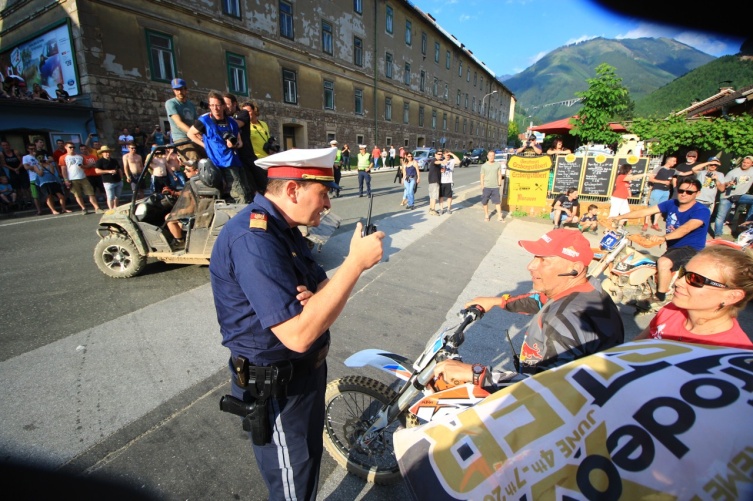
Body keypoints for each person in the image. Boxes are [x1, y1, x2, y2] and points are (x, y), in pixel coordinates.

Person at [210, 147, 384, 501]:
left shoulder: (284, 226)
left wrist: (317, 301)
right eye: (324, 194)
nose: (328, 205)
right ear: (293, 190)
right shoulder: (254, 238)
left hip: (302, 379)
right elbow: (300, 334)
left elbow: (321, 290)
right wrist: (354, 264)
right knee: (293, 484)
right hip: (277, 389)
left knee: (305, 467)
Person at [432, 229, 624, 387]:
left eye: (543, 260)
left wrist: (476, 374)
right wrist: (498, 301)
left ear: (574, 268)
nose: (531, 265)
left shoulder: (565, 319)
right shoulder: (585, 291)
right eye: (534, 257)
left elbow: (548, 390)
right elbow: (540, 300)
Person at [611, 178, 710, 310]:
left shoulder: (701, 210)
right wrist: (620, 217)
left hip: (690, 247)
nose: (684, 194)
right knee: (641, 257)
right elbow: (646, 212)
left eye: (689, 192)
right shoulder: (672, 203)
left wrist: (663, 238)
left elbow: (686, 228)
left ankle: (660, 296)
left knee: (664, 262)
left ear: (697, 193)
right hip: (673, 246)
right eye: (681, 190)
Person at [635, 246, 753, 349]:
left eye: (696, 279)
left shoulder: (736, 354)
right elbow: (632, 349)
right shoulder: (671, 311)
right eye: (683, 273)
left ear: (732, 296)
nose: (678, 282)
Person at [187, 90, 245, 203]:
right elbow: (190, 133)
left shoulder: (232, 122)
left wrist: (234, 145)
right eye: (212, 105)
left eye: (218, 105)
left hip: (231, 162)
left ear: (223, 106)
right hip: (215, 163)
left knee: (239, 193)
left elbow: (240, 142)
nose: (215, 108)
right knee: (218, 194)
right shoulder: (204, 121)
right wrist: (205, 145)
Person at [224, 93, 257, 199]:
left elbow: (237, 124)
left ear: (234, 104)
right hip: (233, 159)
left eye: (227, 104)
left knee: (254, 187)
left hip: (246, 157)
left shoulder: (243, 113)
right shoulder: (225, 117)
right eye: (223, 104)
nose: (225, 107)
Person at [165, 78, 204, 165]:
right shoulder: (171, 103)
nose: (179, 92)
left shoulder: (190, 104)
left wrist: (201, 133)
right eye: (176, 90)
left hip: (193, 136)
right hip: (181, 137)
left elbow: (195, 121)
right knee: (194, 162)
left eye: (181, 89)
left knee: (208, 158)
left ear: (186, 90)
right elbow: (178, 123)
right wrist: (195, 133)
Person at [713, 156, 753, 237]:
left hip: (740, 196)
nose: (745, 164)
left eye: (747, 163)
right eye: (744, 162)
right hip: (727, 196)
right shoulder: (733, 172)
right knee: (720, 217)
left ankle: (748, 222)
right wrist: (728, 183)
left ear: (751, 164)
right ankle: (717, 235)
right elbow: (722, 185)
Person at [61, 142, 103, 214]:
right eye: (70, 147)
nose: (72, 149)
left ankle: (97, 208)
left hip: (83, 177)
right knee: (78, 195)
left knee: (90, 193)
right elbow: (63, 169)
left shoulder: (80, 156)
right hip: (72, 178)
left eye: (73, 147)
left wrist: (89, 165)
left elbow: (84, 166)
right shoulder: (63, 157)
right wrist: (66, 180)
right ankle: (83, 208)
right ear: (66, 147)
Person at [242, 100, 271, 193]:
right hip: (256, 159)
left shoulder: (263, 124)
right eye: (244, 112)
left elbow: (267, 139)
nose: (246, 114)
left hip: (267, 159)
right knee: (262, 186)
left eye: (248, 112)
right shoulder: (245, 126)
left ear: (254, 111)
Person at [643, 155, 677, 231]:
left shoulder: (673, 171)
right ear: (669, 161)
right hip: (657, 190)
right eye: (674, 161)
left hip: (666, 191)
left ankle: (655, 223)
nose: (675, 163)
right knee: (651, 207)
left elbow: (684, 173)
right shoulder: (659, 168)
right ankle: (646, 223)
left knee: (660, 208)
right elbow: (651, 179)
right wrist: (663, 182)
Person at [608, 163, 645, 228]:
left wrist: (629, 194)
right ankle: (609, 228)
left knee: (626, 213)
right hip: (617, 198)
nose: (631, 171)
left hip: (623, 198)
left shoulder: (626, 179)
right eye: (630, 170)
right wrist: (645, 174)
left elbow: (627, 188)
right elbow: (633, 177)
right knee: (614, 213)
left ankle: (620, 227)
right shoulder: (621, 176)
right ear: (627, 170)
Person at [480, 150, 502, 222]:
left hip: (495, 187)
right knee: (485, 202)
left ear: (494, 156)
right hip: (486, 187)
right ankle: (486, 215)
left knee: (497, 202)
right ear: (487, 156)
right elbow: (482, 176)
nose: (491, 157)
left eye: (493, 155)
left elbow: (499, 175)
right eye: (490, 155)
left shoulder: (497, 165)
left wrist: (499, 184)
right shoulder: (484, 166)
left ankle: (499, 216)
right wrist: (482, 186)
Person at [21, 143, 43, 215]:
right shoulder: (25, 157)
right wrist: (34, 167)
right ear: (28, 149)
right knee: (35, 195)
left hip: (42, 176)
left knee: (45, 193)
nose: (33, 150)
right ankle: (39, 210)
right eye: (31, 149)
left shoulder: (38, 156)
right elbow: (26, 167)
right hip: (33, 177)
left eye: (34, 148)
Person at [427, 149, 444, 216]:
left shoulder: (437, 162)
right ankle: (433, 210)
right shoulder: (434, 160)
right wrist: (443, 161)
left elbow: (437, 168)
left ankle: (431, 209)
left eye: (441, 154)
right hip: (434, 181)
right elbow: (436, 162)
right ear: (435, 154)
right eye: (439, 154)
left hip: (432, 181)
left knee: (432, 196)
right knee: (434, 196)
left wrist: (441, 170)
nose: (440, 155)